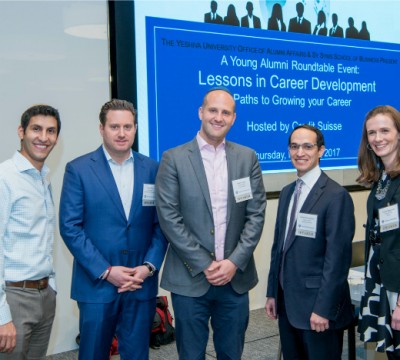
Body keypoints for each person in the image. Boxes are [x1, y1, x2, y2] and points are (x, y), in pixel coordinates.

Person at [156, 87, 266, 359]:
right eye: (213, 110)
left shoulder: (247, 157)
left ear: (234, 118)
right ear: (201, 113)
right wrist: (205, 264)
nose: (219, 117)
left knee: (231, 353)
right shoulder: (174, 158)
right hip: (190, 279)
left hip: (234, 279)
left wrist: (233, 262)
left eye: (226, 112)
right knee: (191, 355)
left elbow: (256, 214)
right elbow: (169, 218)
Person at [59, 99, 167, 360]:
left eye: (127, 126)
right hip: (97, 285)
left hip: (139, 282)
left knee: (137, 354)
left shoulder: (153, 169)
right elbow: (70, 227)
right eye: (114, 126)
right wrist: (106, 271)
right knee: (93, 354)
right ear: (101, 129)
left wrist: (148, 267)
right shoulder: (79, 169)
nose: (121, 133)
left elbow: (161, 225)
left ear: (136, 128)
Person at [265, 125, 355, 360]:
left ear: (321, 151)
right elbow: (279, 247)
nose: (300, 152)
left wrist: (323, 309)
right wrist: (272, 293)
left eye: (307, 146)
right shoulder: (287, 192)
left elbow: (337, 260)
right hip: (287, 306)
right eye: (294, 146)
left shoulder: (336, 196)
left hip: (318, 310)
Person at [0, 104, 61, 359]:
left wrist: (52, 288)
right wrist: (2, 316)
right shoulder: (5, 177)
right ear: (21, 131)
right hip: (14, 299)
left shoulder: (42, 178)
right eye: (36, 129)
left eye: (51, 131)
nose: (43, 137)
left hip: (44, 295)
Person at [357, 105, 400, 359]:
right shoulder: (382, 178)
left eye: (385, 130)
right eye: (372, 133)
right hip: (383, 282)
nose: (378, 138)